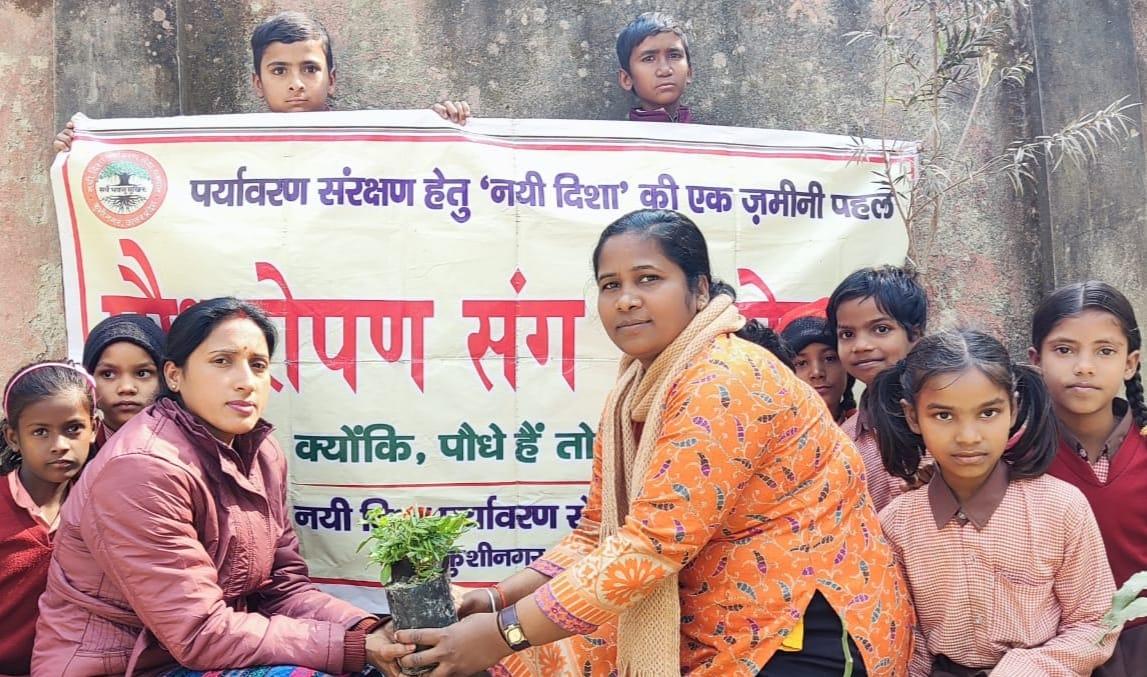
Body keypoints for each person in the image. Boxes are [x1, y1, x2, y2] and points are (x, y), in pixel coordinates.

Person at [386, 210, 912, 676]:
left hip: (805, 625)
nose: (627, 299)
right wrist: (495, 599)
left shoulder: (725, 377)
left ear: (699, 290)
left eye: (648, 278)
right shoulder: (635, 393)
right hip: (717, 624)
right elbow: (596, 533)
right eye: (609, 284)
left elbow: (652, 546)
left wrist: (504, 632)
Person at [33, 298, 414, 675]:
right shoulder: (141, 468)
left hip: (210, 650)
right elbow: (198, 632)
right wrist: (353, 647)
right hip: (130, 665)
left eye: (258, 365)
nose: (245, 382)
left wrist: (369, 631)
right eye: (222, 361)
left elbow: (283, 589)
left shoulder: (262, 454)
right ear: (174, 376)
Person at [871, 330, 1118, 675]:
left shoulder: (1060, 507)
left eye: (988, 413)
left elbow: (1096, 623)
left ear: (1013, 409)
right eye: (943, 416)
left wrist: (1022, 669)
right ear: (913, 417)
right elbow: (905, 636)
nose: (968, 436)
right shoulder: (897, 524)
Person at [53, 12, 470, 151]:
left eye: (310, 69)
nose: (296, 83)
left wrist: (444, 129)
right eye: (279, 71)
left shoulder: (372, 141)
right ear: (257, 83)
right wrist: (88, 149)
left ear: (332, 79)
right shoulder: (226, 146)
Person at [1030, 281, 1147, 676]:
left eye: (1105, 351)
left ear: (1130, 363)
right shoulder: (1012, 457)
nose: (1084, 366)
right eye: (1064, 350)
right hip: (1054, 653)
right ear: (1036, 359)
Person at [0, 362, 97, 676]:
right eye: (40, 432)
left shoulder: (99, 507)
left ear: (94, 428)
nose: (60, 446)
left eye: (73, 429)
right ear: (13, 437)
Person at [827, 265, 928, 512]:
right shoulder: (842, 441)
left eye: (881, 329)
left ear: (915, 334)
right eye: (847, 334)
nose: (861, 345)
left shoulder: (947, 417)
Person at [81, 314, 166, 451]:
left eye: (142, 373)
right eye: (108, 374)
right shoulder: (75, 455)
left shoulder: (186, 452)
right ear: (88, 381)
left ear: (166, 378)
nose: (126, 388)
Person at [779, 300, 856, 423]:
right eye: (801, 363)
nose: (817, 372)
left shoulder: (874, 430)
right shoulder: (765, 431)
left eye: (829, 358)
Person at [616, 12, 695, 123]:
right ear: (626, 79)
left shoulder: (708, 133)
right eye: (649, 59)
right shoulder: (613, 134)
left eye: (674, 56)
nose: (665, 70)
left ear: (689, 72)